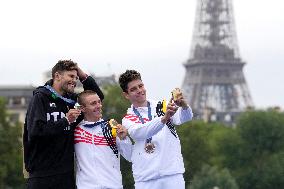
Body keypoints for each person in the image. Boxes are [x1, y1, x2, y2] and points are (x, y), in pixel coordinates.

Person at [23, 60, 104, 189]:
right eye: (71, 76)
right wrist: (65, 121)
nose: (74, 80)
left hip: (66, 174)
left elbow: (96, 97)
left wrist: (83, 75)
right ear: (57, 76)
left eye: (76, 77)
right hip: (41, 175)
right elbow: (36, 132)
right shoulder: (40, 98)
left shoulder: (72, 101)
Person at [119, 70, 193, 189]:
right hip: (145, 179)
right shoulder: (128, 119)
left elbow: (184, 118)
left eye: (140, 86)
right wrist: (164, 118)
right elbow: (140, 133)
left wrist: (184, 106)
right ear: (126, 95)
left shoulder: (162, 106)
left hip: (172, 174)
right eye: (133, 89)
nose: (139, 90)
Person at [74, 90, 132, 189]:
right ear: (83, 108)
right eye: (93, 103)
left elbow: (130, 156)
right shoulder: (76, 130)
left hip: (113, 186)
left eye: (99, 102)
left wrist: (124, 139)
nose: (98, 106)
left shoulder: (111, 126)